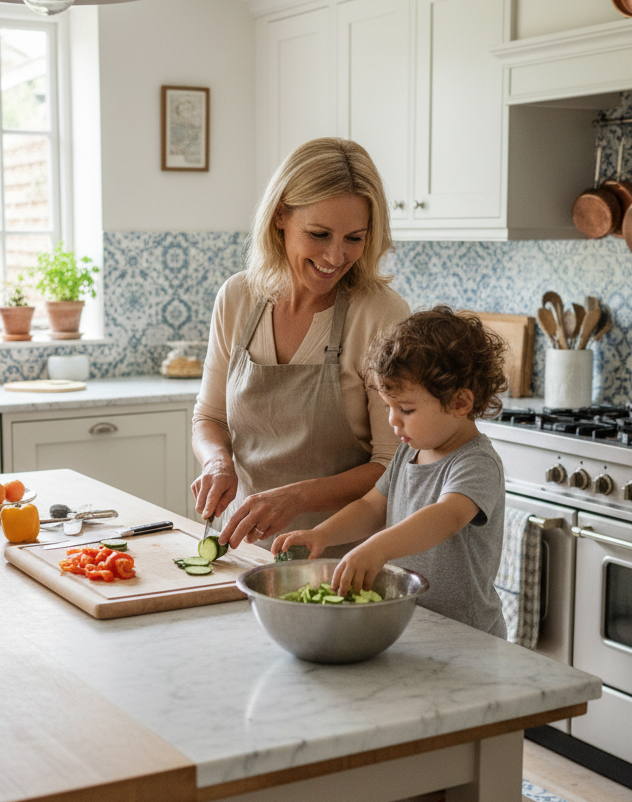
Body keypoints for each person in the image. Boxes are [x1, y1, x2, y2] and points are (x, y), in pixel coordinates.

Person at [191, 138, 410, 550]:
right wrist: (217, 461)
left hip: (345, 559)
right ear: (280, 217)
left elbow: (393, 465)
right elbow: (209, 417)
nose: (336, 256)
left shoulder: (382, 316)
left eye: (354, 238)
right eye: (319, 233)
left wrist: (296, 497)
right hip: (243, 549)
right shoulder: (238, 298)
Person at [272, 305, 509, 639]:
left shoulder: (475, 462)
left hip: (465, 635)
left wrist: (378, 548)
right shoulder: (409, 451)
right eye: (390, 407)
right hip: (411, 625)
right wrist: (322, 535)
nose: (393, 421)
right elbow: (371, 507)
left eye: (406, 409)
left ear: (460, 403)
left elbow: (446, 515)